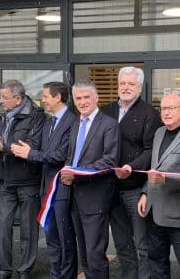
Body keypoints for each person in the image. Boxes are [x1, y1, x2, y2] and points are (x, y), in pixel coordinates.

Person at [11, 81, 79, 279]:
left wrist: (30, 154)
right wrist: (14, 148)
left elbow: (59, 155)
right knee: (51, 237)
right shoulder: (49, 122)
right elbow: (40, 150)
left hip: (62, 190)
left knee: (65, 238)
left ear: (58, 97)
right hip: (46, 188)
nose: (43, 100)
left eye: (46, 96)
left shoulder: (73, 122)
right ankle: (55, 274)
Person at [136, 93, 180, 278]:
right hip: (155, 212)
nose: (165, 113)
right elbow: (154, 168)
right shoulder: (159, 133)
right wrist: (145, 193)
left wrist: (166, 179)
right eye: (163, 109)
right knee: (157, 262)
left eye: (171, 108)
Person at [101, 66, 160, 279]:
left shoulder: (149, 114)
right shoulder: (106, 111)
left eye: (131, 84)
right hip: (110, 188)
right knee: (122, 242)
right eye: (122, 83)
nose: (126, 88)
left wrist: (131, 167)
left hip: (135, 189)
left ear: (140, 87)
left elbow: (152, 150)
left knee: (143, 243)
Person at [0, 79, 46, 279]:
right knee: (4, 227)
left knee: (28, 229)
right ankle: (4, 268)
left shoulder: (37, 117)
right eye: (0, 96)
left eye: (4, 97)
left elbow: (33, 145)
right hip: (5, 180)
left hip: (28, 181)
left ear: (18, 99)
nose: (1, 101)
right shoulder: (0, 113)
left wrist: (4, 147)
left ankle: (25, 269)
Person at [60, 81, 119, 278]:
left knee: (95, 253)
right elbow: (71, 156)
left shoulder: (109, 124)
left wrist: (77, 172)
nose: (83, 102)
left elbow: (110, 159)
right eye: (78, 98)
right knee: (84, 251)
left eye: (87, 97)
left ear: (96, 99)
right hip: (75, 194)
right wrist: (68, 173)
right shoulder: (76, 123)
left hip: (95, 196)